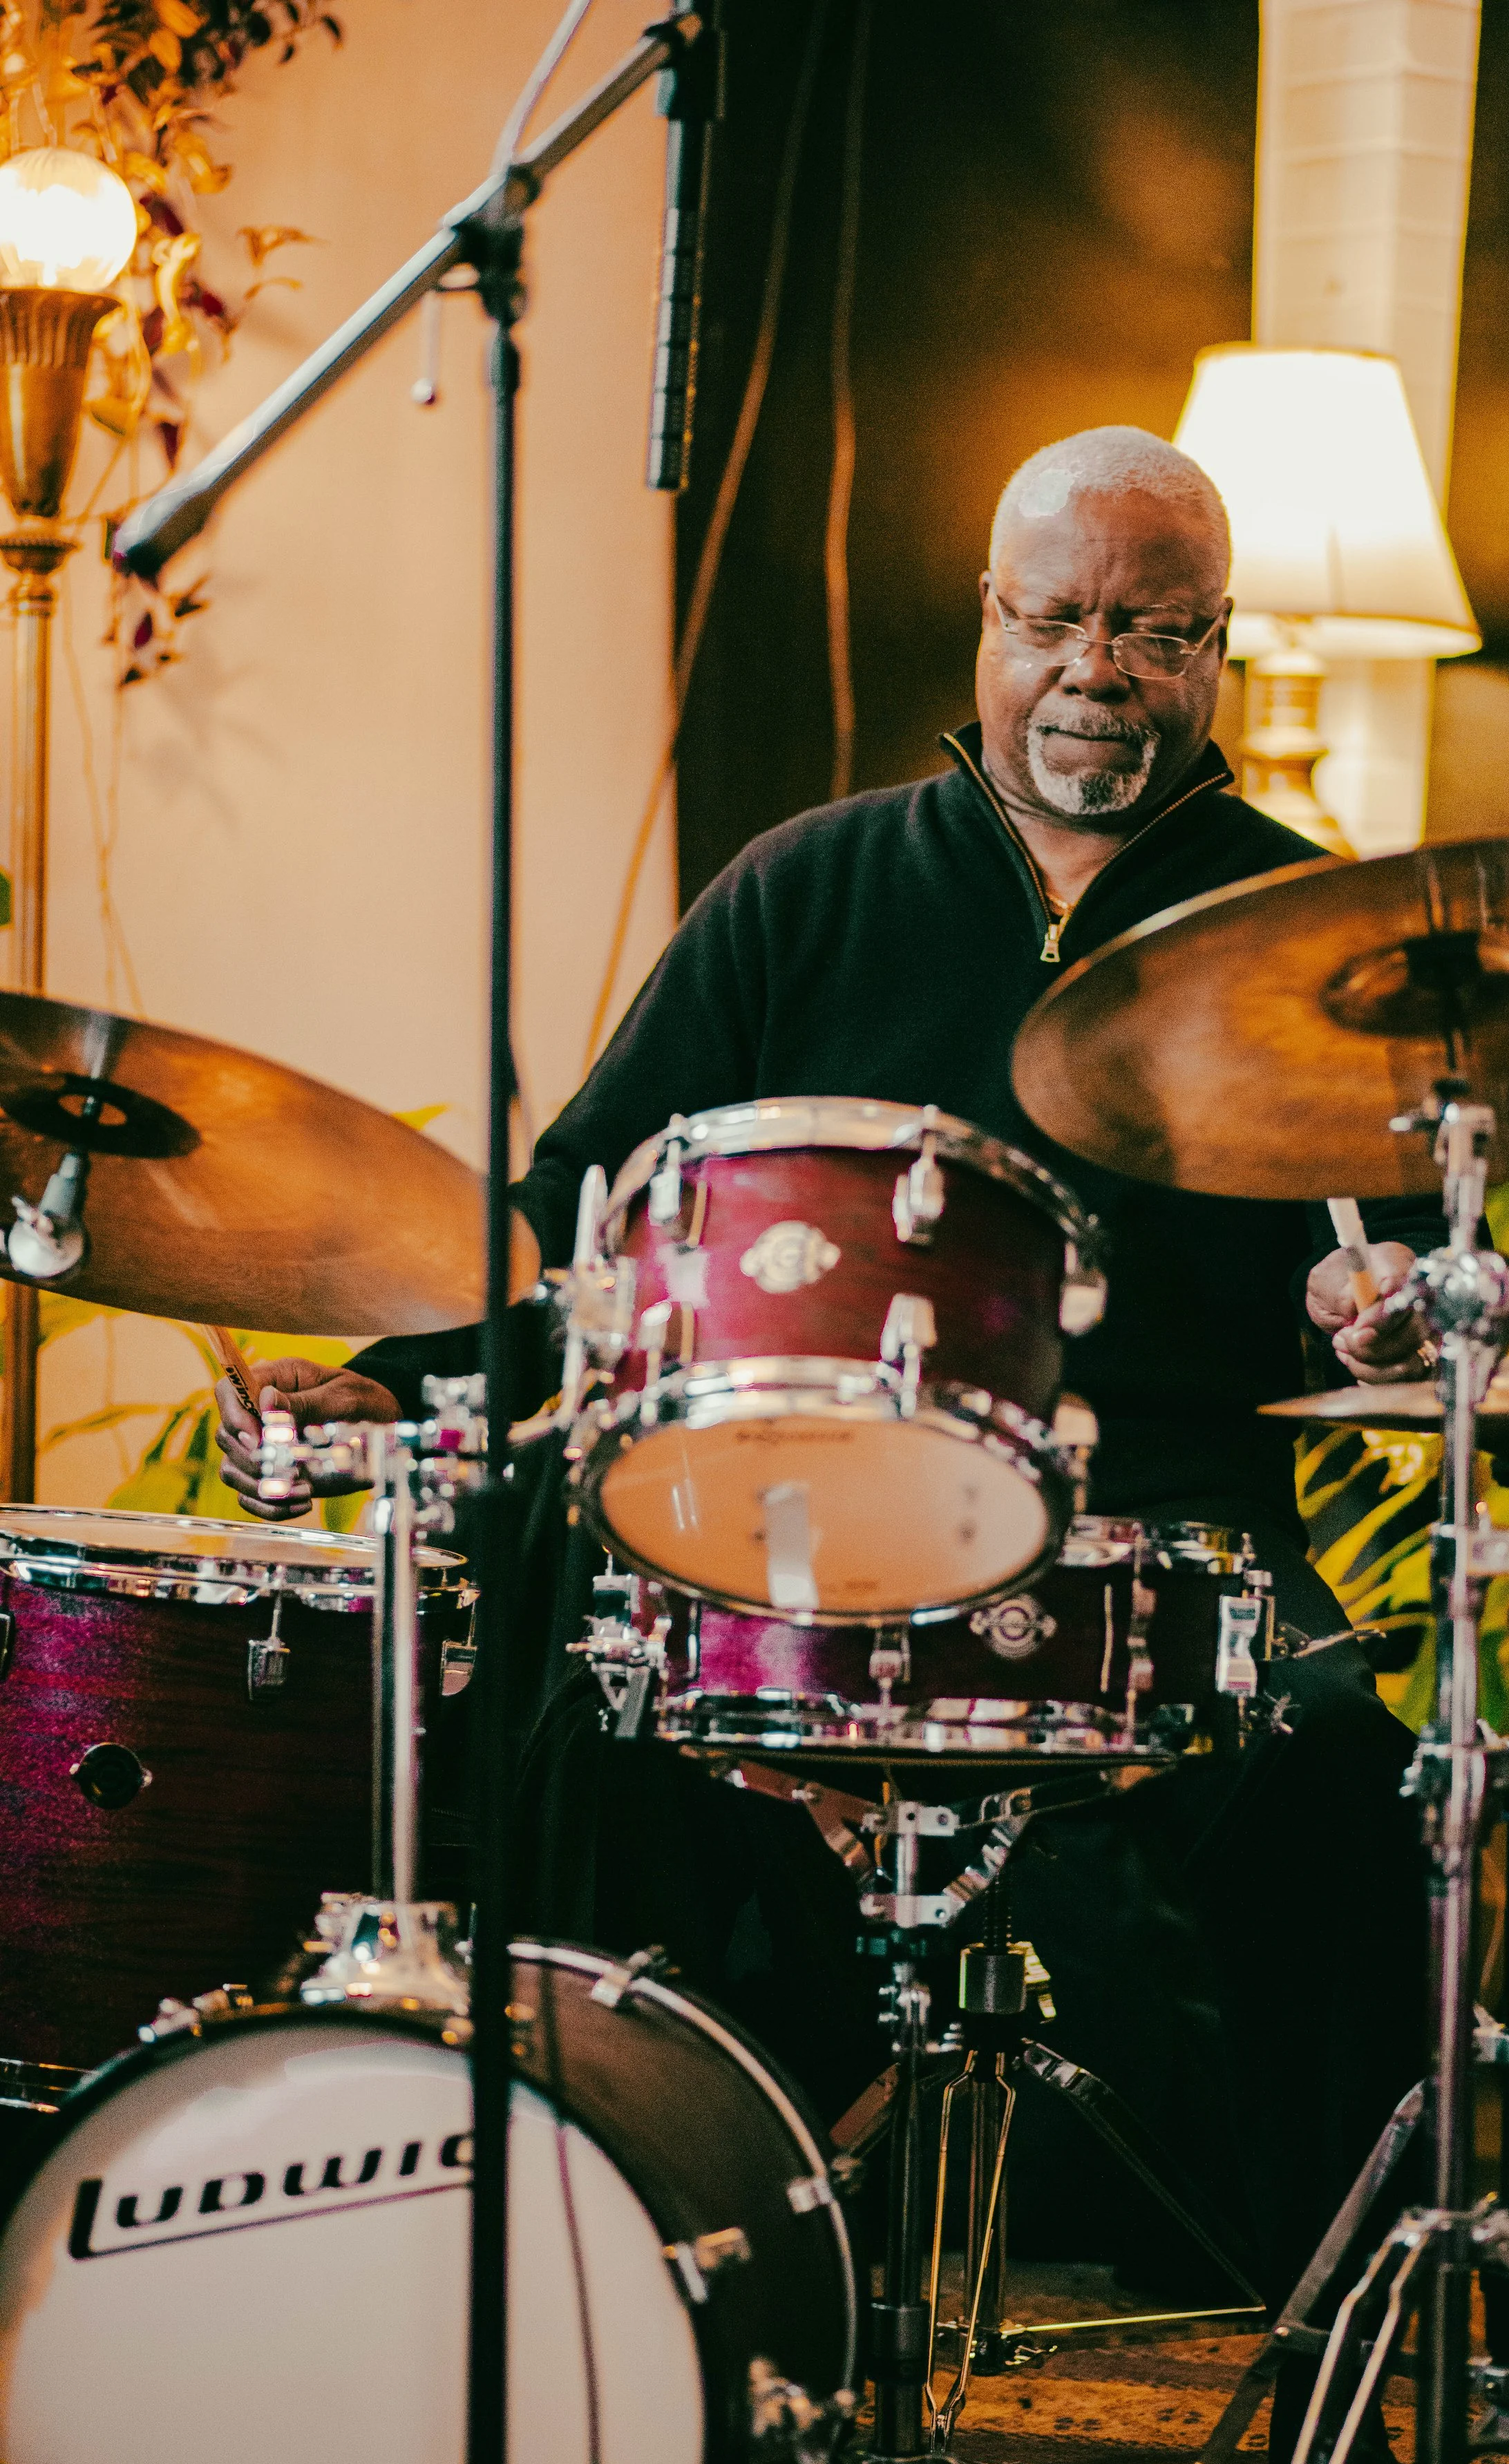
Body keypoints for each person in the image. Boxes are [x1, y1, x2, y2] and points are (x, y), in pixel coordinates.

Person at [216, 427, 1436, 2322]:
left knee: (1337, 1770)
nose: (1096, 671)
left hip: (1155, 1527)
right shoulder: (811, 888)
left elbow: (1398, 1266)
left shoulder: (1307, 934)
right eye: (1054, 619)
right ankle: (616, 2270)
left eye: (1152, 631)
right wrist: (392, 1381)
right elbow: (584, 1220)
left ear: (1216, 648)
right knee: (585, 1713)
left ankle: (1321, 2320)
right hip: (794, 1527)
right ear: (988, 619)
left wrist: (1389, 1310)